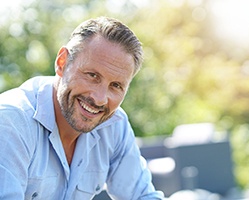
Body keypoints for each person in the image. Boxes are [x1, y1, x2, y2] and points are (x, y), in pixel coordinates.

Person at [0, 16, 164, 199]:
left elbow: (143, 196)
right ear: (62, 63)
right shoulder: (10, 122)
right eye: (92, 75)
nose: (100, 99)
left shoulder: (114, 125)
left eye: (116, 86)